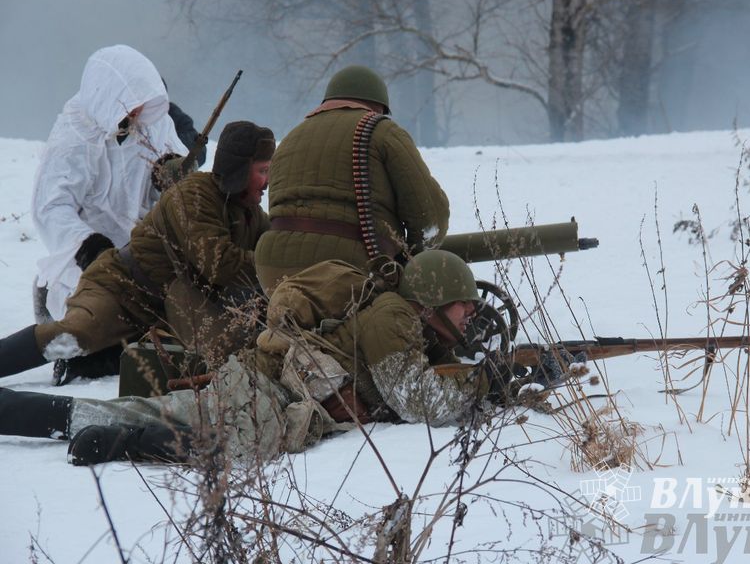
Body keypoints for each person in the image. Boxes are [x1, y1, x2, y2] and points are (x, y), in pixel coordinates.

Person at [0, 251, 529, 466]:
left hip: (265, 389)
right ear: (435, 297)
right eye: (465, 305)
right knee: (186, 432)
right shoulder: (392, 317)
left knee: (170, 419)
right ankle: (25, 414)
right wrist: (490, 383)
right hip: (267, 396)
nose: (470, 315)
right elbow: (416, 400)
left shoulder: (404, 320)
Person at [0, 120, 275, 384]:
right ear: (239, 169)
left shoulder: (251, 216)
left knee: (200, 357)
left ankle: (94, 361)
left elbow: (273, 252)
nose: (268, 180)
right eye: (262, 170)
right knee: (73, 335)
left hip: (163, 313)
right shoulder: (193, 195)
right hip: (121, 289)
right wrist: (272, 263)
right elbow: (218, 263)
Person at [31, 45, 192, 326]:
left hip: (144, 243)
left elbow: (175, 175)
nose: (139, 109)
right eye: (132, 102)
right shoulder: (73, 137)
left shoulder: (153, 123)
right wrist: (88, 246)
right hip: (88, 255)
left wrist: (167, 174)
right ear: (110, 96)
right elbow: (51, 207)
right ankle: (51, 302)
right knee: (96, 315)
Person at [254, 65, 451, 295]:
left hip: (273, 271)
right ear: (378, 106)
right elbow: (430, 216)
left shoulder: (290, 138)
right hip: (348, 269)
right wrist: (413, 257)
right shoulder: (381, 130)